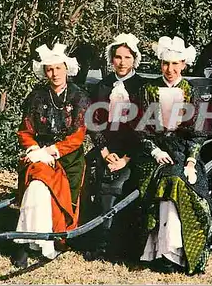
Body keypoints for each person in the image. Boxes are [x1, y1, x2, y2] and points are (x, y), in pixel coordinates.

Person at [138, 36, 212, 275]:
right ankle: (158, 251)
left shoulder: (191, 92)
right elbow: (140, 129)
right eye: (165, 64)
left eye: (175, 64)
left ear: (183, 64)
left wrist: (191, 160)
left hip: (183, 152)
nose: (170, 70)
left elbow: (198, 133)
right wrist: (154, 150)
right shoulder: (148, 90)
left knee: (177, 181)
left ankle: (175, 251)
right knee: (162, 181)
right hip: (154, 153)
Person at [12, 43, 90, 268]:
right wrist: (35, 150)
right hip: (39, 156)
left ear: (66, 68)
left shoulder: (79, 96)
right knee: (37, 186)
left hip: (68, 158)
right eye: (49, 69)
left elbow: (78, 136)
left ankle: (52, 241)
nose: (54, 74)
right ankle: (24, 242)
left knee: (56, 194)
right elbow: (25, 130)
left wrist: (51, 151)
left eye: (58, 68)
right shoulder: (36, 96)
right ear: (44, 72)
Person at [85, 33, 146, 259]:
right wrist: (104, 151)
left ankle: (119, 243)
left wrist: (126, 157)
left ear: (134, 60)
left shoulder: (141, 87)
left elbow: (144, 127)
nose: (121, 62)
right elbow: (94, 122)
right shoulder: (103, 86)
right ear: (111, 59)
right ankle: (98, 239)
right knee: (96, 180)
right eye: (117, 57)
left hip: (134, 150)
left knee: (120, 184)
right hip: (106, 148)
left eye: (127, 57)